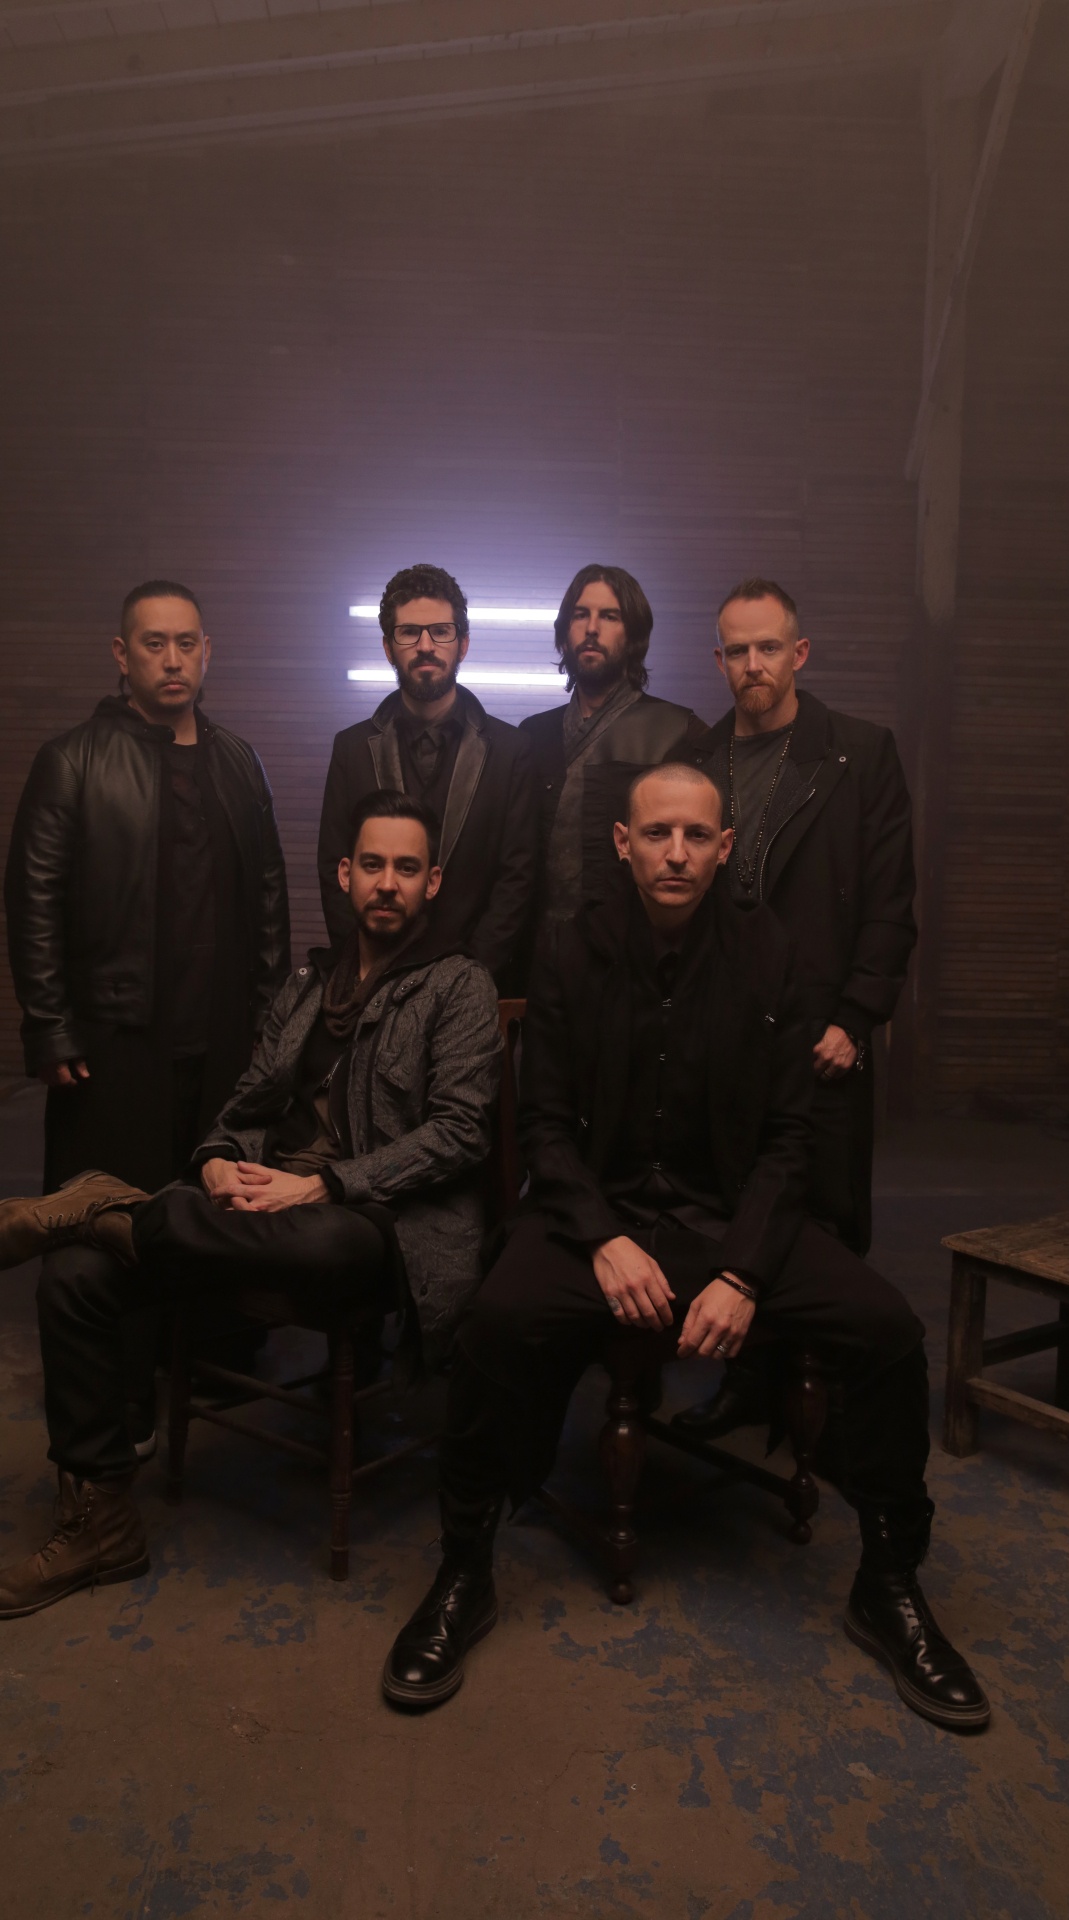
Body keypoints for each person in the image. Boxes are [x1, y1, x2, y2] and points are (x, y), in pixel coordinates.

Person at [381, 765, 988, 1733]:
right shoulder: (571, 949)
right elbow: (545, 1128)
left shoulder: (772, 951)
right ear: (623, 844)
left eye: (697, 836)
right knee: (492, 1323)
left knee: (886, 1329)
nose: (676, 854)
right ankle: (465, 1570)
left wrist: (745, 1270)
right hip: (601, 1216)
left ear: (725, 847)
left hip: (729, 1220)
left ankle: (889, 1582)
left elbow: (791, 1137)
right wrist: (604, 1239)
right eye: (657, 834)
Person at [0, 791, 503, 1619]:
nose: (387, 883)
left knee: (322, 1246)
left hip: (377, 1221)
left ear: (433, 881)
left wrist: (329, 1184)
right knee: (76, 1277)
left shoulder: (461, 986)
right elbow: (243, 1106)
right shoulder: (307, 984)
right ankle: (100, 1522)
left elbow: (460, 1134)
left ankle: (102, 1208)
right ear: (344, 874)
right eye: (372, 865)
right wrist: (214, 1163)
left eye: (407, 868)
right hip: (254, 1211)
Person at [4, 579, 291, 1452]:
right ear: (122, 655)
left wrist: (273, 1030)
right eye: (155, 643)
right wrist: (49, 1025)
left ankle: (203, 1369)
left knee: (208, 1213)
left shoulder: (239, 761)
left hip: (223, 1042)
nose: (173, 660)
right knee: (109, 1226)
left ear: (208, 654)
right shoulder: (73, 760)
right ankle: (118, 1404)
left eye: (187, 643)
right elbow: (33, 899)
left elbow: (270, 899)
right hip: (113, 1041)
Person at [669, 577, 917, 1440]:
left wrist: (857, 1018)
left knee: (824, 1216)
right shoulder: (695, 758)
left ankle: (832, 1408)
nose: (753, 664)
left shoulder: (859, 754)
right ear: (719, 660)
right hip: (724, 1033)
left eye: (768, 647)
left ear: (799, 653)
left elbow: (891, 904)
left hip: (821, 1032)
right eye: (737, 650)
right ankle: (749, 1385)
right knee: (735, 1208)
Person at [318, 563, 537, 988]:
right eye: (408, 633)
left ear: (463, 644)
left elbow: (516, 880)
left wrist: (468, 982)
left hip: (472, 985)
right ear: (388, 647)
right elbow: (335, 872)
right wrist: (368, 975)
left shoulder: (512, 751)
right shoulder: (351, 749)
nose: (425, 646)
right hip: (372, 988)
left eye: (440, 631)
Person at [519, 565, 708, 929]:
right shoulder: (532, 735)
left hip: (631, 945)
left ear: (633, 636)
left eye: (609, 616)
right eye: (580, 615)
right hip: (539, 945)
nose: (592, 628)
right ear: (564, 635)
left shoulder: (678, 732)